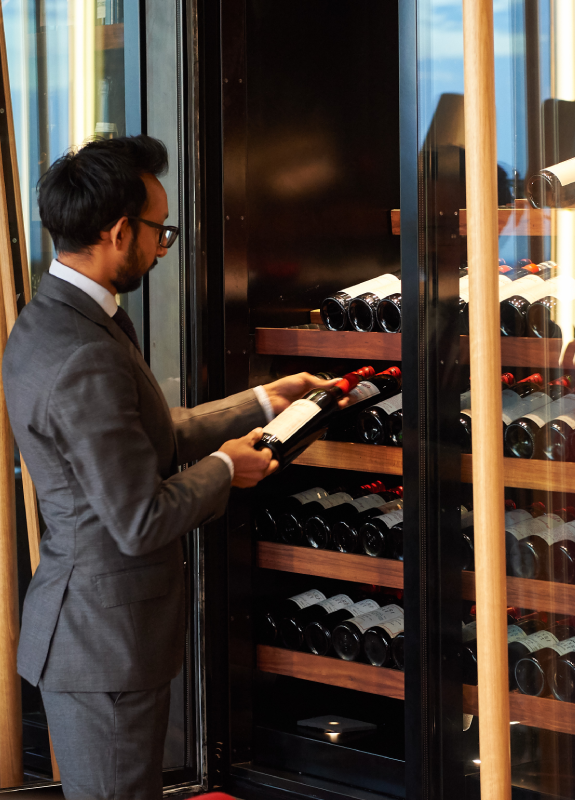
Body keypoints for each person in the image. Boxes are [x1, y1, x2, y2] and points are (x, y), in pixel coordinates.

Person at [2, 135, 338, 800]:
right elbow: (139, 520)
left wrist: (262, 401)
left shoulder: (52, 320)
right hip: (105, 644)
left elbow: (144, 436)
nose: (163, 247)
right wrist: (225, 469)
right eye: (160, 230)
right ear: (118, 231)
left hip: (96, 634)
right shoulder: (85, 352)